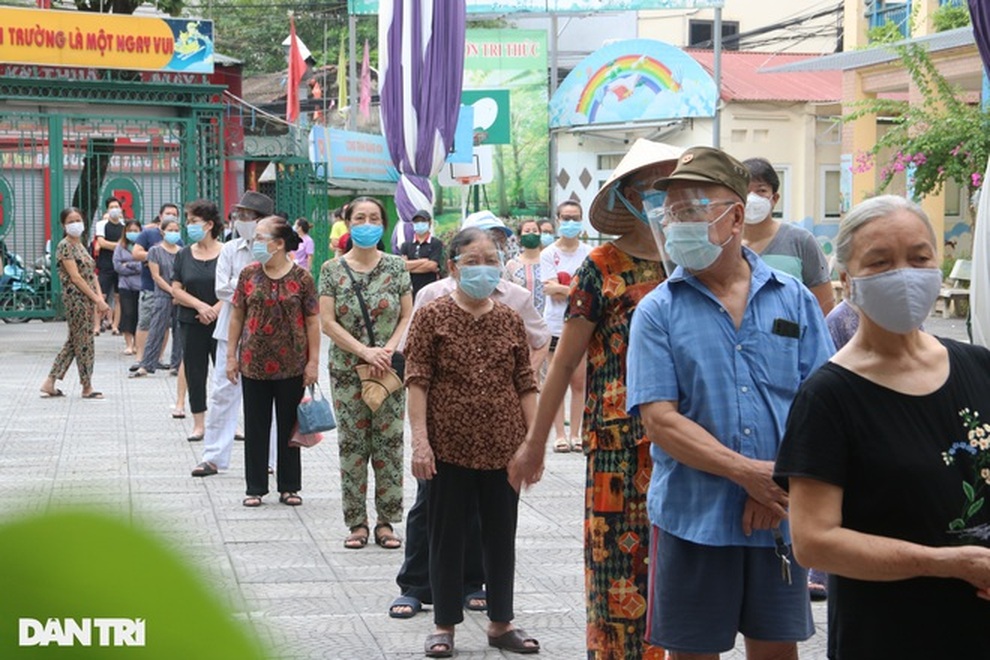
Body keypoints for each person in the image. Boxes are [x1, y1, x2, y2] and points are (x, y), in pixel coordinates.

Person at [625, 146, 833, 659]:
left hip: (777, 519)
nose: (677, 226)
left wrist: (777, 483)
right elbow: (661, 420)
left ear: (735, 215)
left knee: (776, 651)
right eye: (670, 214)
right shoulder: (657, 311)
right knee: (692, 653)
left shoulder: (794, 298)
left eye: (691, 211)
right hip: (692, 518)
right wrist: (749, 475)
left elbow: (822, 406)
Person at [774, 195, 990, 658]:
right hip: (890, 635)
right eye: (881, 262)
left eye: (918, 258)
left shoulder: (979, 367)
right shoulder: (828, 398)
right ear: (847, 282)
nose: (905, 274)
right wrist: (948, 564)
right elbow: (814, 542)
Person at [509, 138, 681, 660]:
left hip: (687, 436)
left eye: (667, 187)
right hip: (618, 442)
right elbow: (565, 360)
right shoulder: (601, 266)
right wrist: (536, 442)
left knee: (681, 569)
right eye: (649, 187)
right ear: (627, 196)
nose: (660, 198)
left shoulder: (692, 261)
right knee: (617, 572)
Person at [388, 212, 551, 621]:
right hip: (448, 445)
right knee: (438, 524)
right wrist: (421, 441)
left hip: (502, 443)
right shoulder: (432, 309)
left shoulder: (511, 312)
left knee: (498, 533)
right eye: (472, 260)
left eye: (491, 259)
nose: (483, 268)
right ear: (453, 265)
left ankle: (497, 616)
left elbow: (526, 382)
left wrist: (535, 444)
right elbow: (417, 377)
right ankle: (431, 607)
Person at [319, 196, 413, 550]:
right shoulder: (332, 270)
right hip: (347, 371)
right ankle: (356, 521)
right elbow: (327, 321)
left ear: (383, 225)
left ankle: (387, 521)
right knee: (353, 446)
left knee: (389, 443)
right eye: (360, 217)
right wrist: (363, 351)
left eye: (374, 217)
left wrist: (387, 349)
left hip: (388, 371)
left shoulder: (396, 266)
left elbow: (406, 313)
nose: (367, 223)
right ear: (348, 222)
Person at [226, 216, 321, 507]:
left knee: (289, 426)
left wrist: (313, 362)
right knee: (256, 426)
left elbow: (313, 321)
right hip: (253, 362)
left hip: (292, 363)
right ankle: (255, 487)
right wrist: (231, 355)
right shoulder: (248, 275)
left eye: (261, 238)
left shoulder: (302, 278)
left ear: (279, 244)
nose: (255, 243)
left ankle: (289, 486)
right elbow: (237, 316)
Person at [191, 190, 275, 478]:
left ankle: (269, 459)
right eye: (240, 215)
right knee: (222, 394)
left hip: (269, 333)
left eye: (249, 216)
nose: (242, 220)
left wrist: (245, 287)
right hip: (231, 330)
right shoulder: (230, 249)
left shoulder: (275, 249)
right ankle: (213, 457)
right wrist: (257, 286)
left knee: (269, 397)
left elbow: (281, 284)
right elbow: (221, 289)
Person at [741, 157, 834, 316]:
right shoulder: (725, 243)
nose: (752, 198)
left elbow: (824, 306)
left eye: (761, 191)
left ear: (774, 199)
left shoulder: (801, 241)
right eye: (745, 191)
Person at [40, 207, 110, 399]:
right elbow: (76, 278)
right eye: (70, 221)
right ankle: (86, 386)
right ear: (64, 225)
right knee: (84, 341)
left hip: (87, 300)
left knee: (75, 341)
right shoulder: (65, 246)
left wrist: (99, 298)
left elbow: (91, 274)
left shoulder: (81, 245)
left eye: (78, 219)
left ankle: (50, 381)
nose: (75, 224)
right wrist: (97, 299)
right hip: (76, 300)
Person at [541, 201, 591, 453]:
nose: (571, 222)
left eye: (576, 217)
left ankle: (577, 433)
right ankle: (560, 434)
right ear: (558, 220)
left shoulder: (590, 253)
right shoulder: (549, 253)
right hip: (555, 325)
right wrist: (576, 290)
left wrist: (567, 290)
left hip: (581, 324)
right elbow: (550, 291)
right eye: (566, 218)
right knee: (556, 380)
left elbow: (589, 294)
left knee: (579, 381)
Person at [171, 200, 223, 442]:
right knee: (195, 371)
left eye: (193, 222)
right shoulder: (183, 254)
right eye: (188, 222)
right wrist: (200, 306)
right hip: (191, 321)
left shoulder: (227, 252)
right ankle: (199, 422)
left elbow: (235, 288)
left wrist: (215, 309)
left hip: (223, 322)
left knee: (225, 374)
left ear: (209, 224)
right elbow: (176, 289)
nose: (188, 226)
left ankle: (228, 422)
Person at [132, 218, 183, 380]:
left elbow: (184, 275)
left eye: (176, 230)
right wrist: (172, 291)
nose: (173, 233)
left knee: (180, 330)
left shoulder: (182, 251)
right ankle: (146, 364)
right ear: (162, 231)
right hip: (162, 295)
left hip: (180, 296)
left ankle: (176, 364)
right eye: (170, 230)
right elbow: (156, 276)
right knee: (156, 329)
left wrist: (179, 293)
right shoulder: (155, 251)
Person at [93, 196, 125, 336]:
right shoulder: (101, 224)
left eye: (116, 207)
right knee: (101, 296)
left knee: (119, 298)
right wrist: (118, 245)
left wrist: (113, 245)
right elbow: (102, 243)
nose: (114, 210)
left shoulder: (124, 226)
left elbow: (127, 244)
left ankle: (115, 326)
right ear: (107, 209)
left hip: (121, 266)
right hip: (105, 265)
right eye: (111, 207)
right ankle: (96, 326)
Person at [112, 219, 144, 356]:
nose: (132, 233)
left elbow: (144, 265)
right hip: (125, 285)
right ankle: (129, 344)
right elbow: (118, 266)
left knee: (139, 315)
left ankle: (138, 344)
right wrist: (134, 266)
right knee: (127, 313)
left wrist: (129, 265)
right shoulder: (120, 247)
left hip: (141, 286)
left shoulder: (143, 246)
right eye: (130, 230)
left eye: (135, 231)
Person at [504, 219, 546, 316]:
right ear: (520, 237)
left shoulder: (549, 262)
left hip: (546, 320)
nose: (531, 234)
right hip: (519, 319)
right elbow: (505, 294)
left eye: (535, 231)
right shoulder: (512, 265)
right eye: (527, 231)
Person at [399, 209, 443, 300]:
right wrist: (423, 261)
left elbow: (432, 266)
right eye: (416, 221)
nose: (419, 223)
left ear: (430, 223)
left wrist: (410, 267)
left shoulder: (436, 243)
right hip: (410, 290)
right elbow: (403, 266)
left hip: (429, 289)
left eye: (423, 221)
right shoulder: (406, 245)